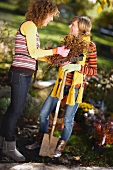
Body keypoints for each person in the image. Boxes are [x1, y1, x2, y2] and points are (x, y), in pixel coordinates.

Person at [0, 0, 70, 162]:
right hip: (20, 74)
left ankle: (3, 141)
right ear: (43, 12)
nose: (51, 20)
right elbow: (33, 52)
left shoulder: (32, 27)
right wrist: (56, 50)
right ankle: (9, 147)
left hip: (23, 73)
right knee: (16, 111)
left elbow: (35, 54)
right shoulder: (29, 26)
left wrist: (55, 60)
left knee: (13, 109)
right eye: (51, 16)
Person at [26, 16, 97, 157]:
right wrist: (35, 53)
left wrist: (77, 67)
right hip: (61, 84)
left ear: (82, 28)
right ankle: (41, 140)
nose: (70, 26)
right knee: (43, 113)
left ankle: (60, 146)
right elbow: (56, 58)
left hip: (75, 87)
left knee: (68, 119)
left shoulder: (90, 46)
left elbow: (93, 70)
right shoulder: (68, 42)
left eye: (73, 25)